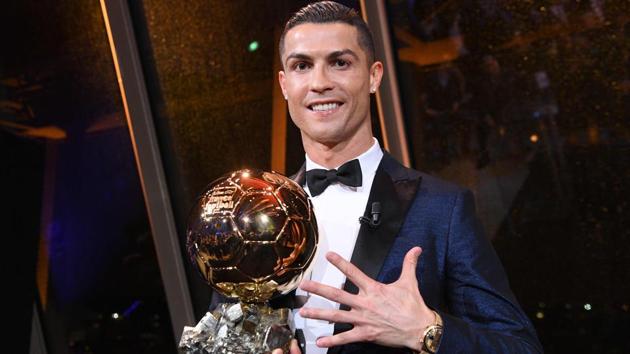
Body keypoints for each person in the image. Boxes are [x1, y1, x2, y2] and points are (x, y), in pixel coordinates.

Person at [266, 1, 542, 353]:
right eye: (302, 66)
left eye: (340, 63)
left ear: (374, 75)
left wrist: (427, 330)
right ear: (285, 84)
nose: (320, 83)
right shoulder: (259, 214)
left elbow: (520, 347)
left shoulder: (442, 210)